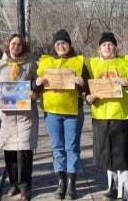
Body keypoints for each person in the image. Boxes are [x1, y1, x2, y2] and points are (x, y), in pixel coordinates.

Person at [84, 32, 128, 201]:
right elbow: (86, 91)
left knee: (122, 156)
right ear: (99, 48)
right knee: (106, 154)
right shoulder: (91, 64)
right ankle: (111, 187)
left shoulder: (126, 63)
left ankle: (127, 193)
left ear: (116, 48)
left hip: (120, 115)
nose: (107, 48)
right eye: (104, 45)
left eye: (111, 45)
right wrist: (87, 99)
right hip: (100, 116)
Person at [34, 29, 89, 200]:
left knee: (71, 147)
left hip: (73, 110)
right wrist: (37, 83)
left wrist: (82, 84)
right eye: (58, 43)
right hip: (52, 112)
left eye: (64, 43)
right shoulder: (45, 62)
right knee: (57, 147)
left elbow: (88, 88)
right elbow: (36, 87)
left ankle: (72, 182)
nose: (61, 46)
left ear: (69, 45)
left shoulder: (79, 62)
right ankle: (61, 181)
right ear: (54, 46)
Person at [0, 34, 39, 201]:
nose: (16, 46)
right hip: (6, 117)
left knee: (24, 151)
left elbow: (37, 84)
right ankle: (14, 184)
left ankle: (25, 186)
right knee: (10, 151)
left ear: (23, 47)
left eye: (19, 44)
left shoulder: (31, 64)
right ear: (8, 45)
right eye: (13, 43)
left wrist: (35, 93)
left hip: (26, 116)